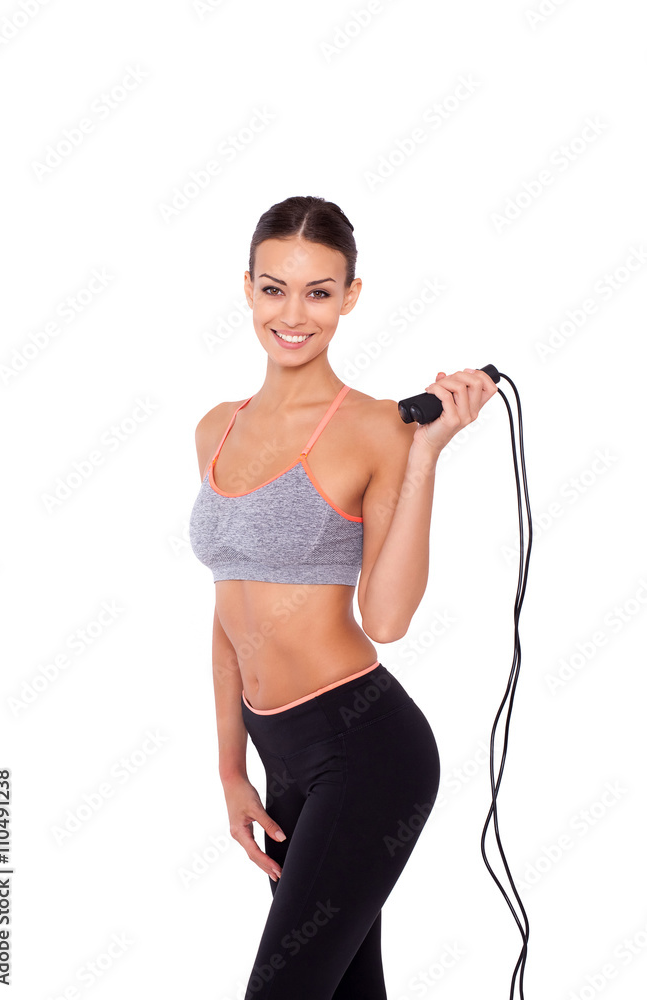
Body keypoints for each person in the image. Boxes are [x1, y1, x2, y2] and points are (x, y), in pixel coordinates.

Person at [189, 195, 498, 999]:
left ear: (350, 295)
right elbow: (227, 617)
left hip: (364, 751)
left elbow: (387, 620)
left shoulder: (374, 429)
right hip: (277, 751)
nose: (293, 314)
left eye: (318, 292)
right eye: (274, 289)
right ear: (247, 288)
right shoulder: (214, 427)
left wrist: (426, 454)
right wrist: (230, 768)